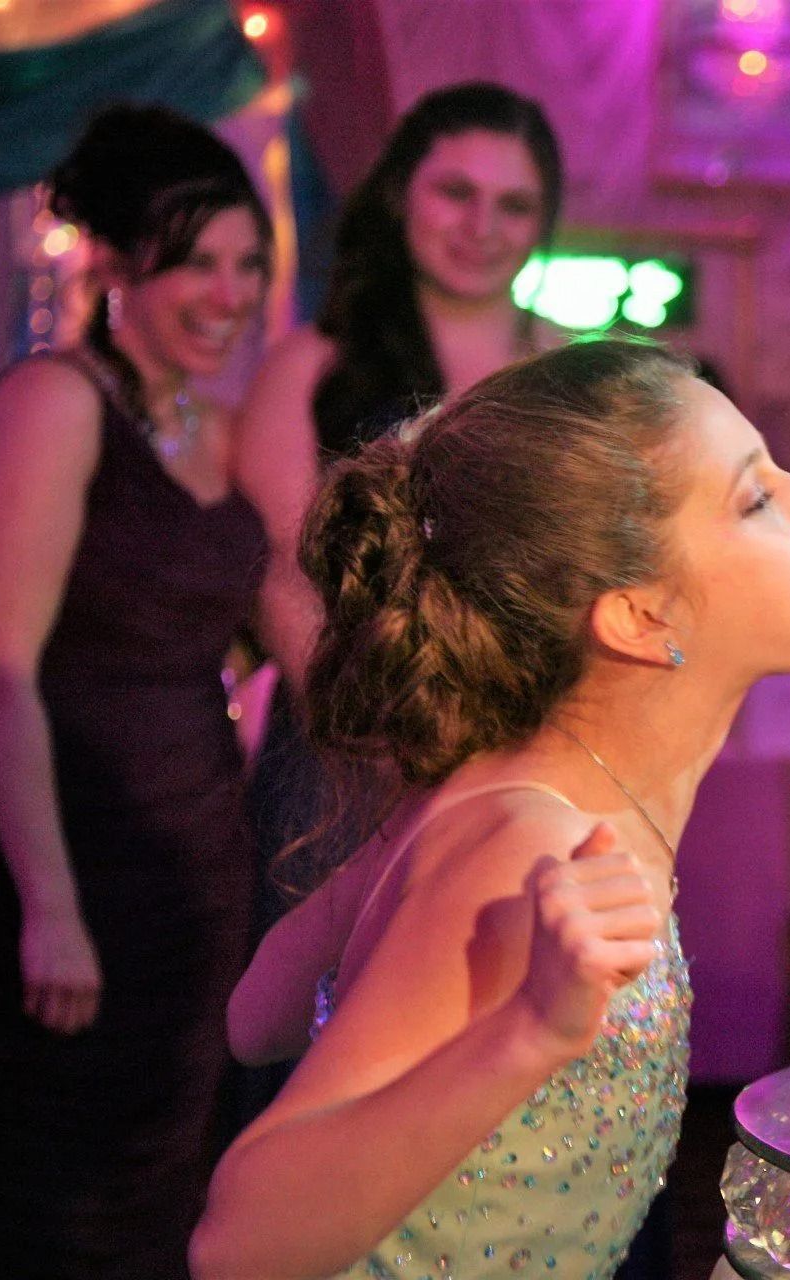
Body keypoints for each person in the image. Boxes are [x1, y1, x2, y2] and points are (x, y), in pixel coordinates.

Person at [191, 339, 790, 1278]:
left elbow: (258, 1016)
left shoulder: (522, 802)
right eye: (756, 498)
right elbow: (237, 1248)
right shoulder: (527, 845)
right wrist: (530, 1031)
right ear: (639, 616)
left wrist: (388, 867)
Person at [0, 106, 273, 1277]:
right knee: (59, 1199)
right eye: (196, 259)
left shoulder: (213, 430)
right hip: (78, 876)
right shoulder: (53, 403)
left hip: (197, 878)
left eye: (247, 263)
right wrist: (50, 903)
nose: (231, 291)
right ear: (111, 259)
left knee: (165, 1190)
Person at [234, 80, 569, 1028]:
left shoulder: (564, 382)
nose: (481, 225)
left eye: (514, 204)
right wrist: (379, 746)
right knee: (319, 1045)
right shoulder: (312, 367)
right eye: (454, 191)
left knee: (487, 1043)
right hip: (342, 756)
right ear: (398, 198)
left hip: (517, 759)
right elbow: (279, 574)